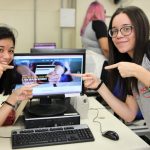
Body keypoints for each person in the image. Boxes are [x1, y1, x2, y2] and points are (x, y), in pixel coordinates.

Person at [72, 6, 150, 129]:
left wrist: (136, 70)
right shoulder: (127, 65)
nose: (118, 35)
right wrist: (99, 85)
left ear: (141, 29)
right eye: (114, 31)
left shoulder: (146, 54)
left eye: (126, 29)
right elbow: (129, 115)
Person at [0, 26, 37, 126]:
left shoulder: (7, 71)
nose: (7, 56)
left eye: (11, 51)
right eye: (0, 50)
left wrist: (21, 68)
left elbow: (15, 68)